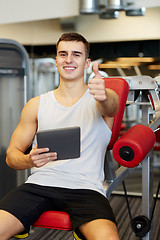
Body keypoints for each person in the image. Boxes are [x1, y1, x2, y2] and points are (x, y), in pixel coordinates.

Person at [0, 32, 119, 240]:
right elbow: (11, 156)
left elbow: (111, 107)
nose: (69, 59)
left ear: (87, 62)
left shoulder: (102, 99)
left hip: (85, 189)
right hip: (39, 185)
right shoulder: (36, 105)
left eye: (76, 54)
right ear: (56, 61)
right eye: (63, 54)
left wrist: (103, 94)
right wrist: (28, 160)